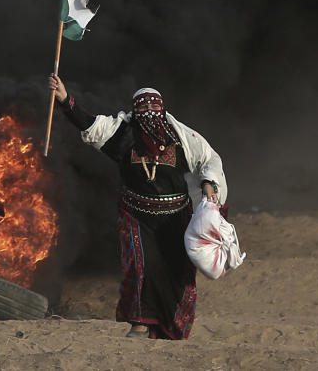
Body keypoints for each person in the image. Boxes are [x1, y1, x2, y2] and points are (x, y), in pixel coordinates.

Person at [48, 73, 227, 339]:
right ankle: (141, 323)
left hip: (176, 218)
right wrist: (64, 98)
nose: (149, 111)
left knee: (174, 273)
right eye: (143, 106)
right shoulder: (122, 134)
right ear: (134, 110)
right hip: (137, 217)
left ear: (163, 108)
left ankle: (169, 327)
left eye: (154, 106)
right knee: (141, 267)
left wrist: (209, 185)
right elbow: (90, 124)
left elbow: (209, 160)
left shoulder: (181, 137)